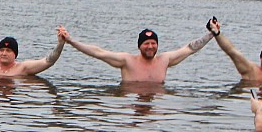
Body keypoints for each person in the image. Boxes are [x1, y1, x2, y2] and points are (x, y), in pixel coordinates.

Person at [58, 24, 213, 83]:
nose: (150, 47)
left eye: (153, 43)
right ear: (139, 46)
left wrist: (212, 34)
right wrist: (70, 40)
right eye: (146, 44)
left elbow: (189, 48)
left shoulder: (164, 60)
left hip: (155, 106)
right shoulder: (127, 61)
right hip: (131, 104)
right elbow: (98, 53)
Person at [0, 8, 65, 77]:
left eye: (8, 50)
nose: (4, 53)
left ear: (15, 54)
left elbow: (48, 62)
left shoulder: (23, 68)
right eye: (2, 50)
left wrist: (60, 44)